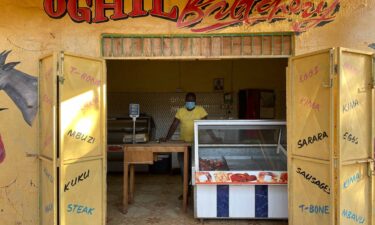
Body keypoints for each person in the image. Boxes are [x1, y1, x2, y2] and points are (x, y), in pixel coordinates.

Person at [161, 92, 210, 199]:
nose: (190, 102)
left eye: (192, 100)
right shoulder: (181, 111)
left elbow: (206, 125)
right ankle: (186, 192)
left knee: (196, 169)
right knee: (184, 170)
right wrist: (167, 138)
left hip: (196, 145)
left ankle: (197, 193)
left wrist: (214, 138)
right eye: (188, 100)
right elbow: (174, 125)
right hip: (184, 145)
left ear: (195, 101)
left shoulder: (200, 110)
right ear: (185, 101)